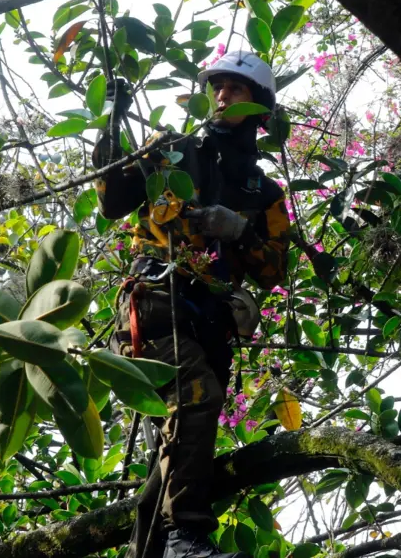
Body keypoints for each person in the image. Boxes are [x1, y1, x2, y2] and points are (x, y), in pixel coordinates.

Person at [92, 51, 291, 558]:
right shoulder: (170, 151)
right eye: (216, 87)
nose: (222, 96)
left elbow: (274, 271)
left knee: (176, 449)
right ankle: (185, 537)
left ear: (259, 108)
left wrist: (240, 229)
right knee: (196, 398)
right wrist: (110, 125)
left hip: (209, 325)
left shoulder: (265, 192)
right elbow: (113, 201)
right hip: (155, 304)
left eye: (235, 89)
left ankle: (155, 549)